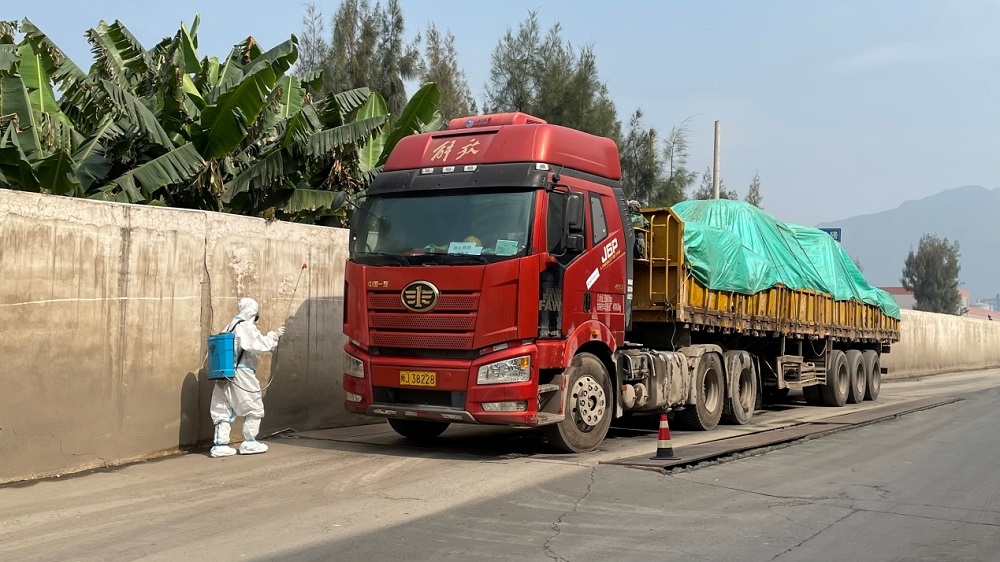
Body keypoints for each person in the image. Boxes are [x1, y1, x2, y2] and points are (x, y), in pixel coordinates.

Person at [209, 297, 284, 457]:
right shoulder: (245, 326)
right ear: (252, 311)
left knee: (223, 409)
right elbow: (259, 345)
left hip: (224, 374)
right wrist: (274, 336)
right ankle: (249, 443)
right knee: (254, 406)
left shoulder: (229, 326)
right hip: (241, 373)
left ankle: (220, 445)